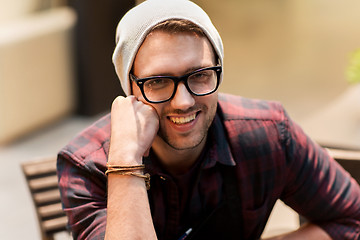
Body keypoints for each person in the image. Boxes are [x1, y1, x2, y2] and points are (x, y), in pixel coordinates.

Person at [57, 0, 360, 239]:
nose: (184, 101)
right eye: (159, 81)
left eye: (199, 75)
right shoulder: (87, 165)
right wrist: (125, 161)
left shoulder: (267, 133)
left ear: (218, 70)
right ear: (130, 88)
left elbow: (352, 217)